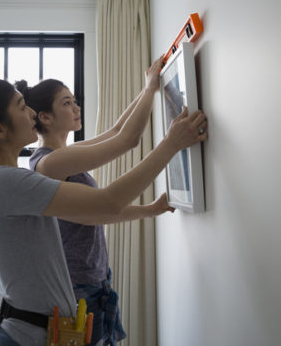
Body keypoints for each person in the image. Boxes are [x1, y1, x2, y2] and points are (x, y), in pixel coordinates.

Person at [0, 78, 208, 346]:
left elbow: (99, 204)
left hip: (35, 329)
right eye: (22, 107)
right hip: (29, 335)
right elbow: (108, 201)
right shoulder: (7, 181)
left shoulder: (2, 179)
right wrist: (171, 144)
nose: (32, 113)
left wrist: (149, 208)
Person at [14, 56, 174, 345]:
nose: (76, 107)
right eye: (66, 103)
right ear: (45, 117)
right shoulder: (48, 164)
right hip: (77, 288)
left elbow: (115, 133)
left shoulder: (62, 155)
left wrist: (150, 210)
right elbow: (128, 140)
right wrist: (151, 89)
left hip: (94, 280)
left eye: (74, 100)